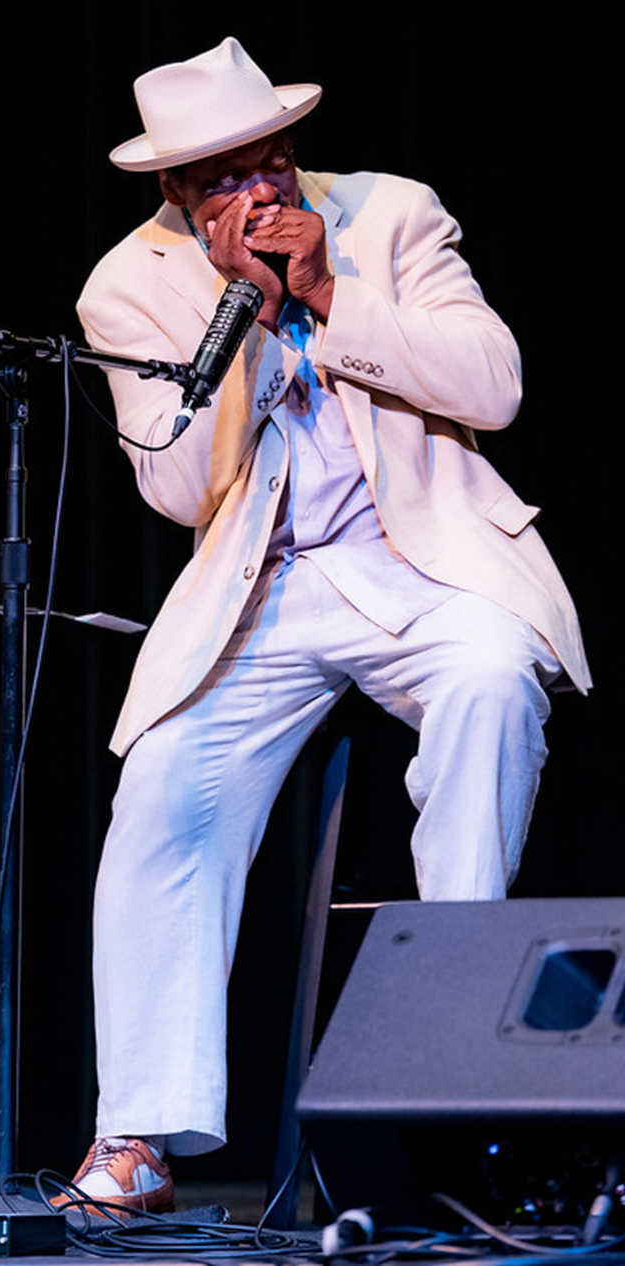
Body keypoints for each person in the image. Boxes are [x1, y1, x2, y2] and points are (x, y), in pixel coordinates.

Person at [65, 37, 589, 1212]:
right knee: (163, 785)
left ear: (289, 153)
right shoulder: (130, 283)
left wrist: (328, 297)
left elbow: (492, 386)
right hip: (267, 586)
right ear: (176, 195)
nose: (256, 197)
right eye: (222, 182)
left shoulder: (393, 216)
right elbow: (174, 485)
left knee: (493, 685)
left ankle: (458, 1073)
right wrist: (240, 310)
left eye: (267, 167)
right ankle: (137, 1135)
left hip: (421, 560)